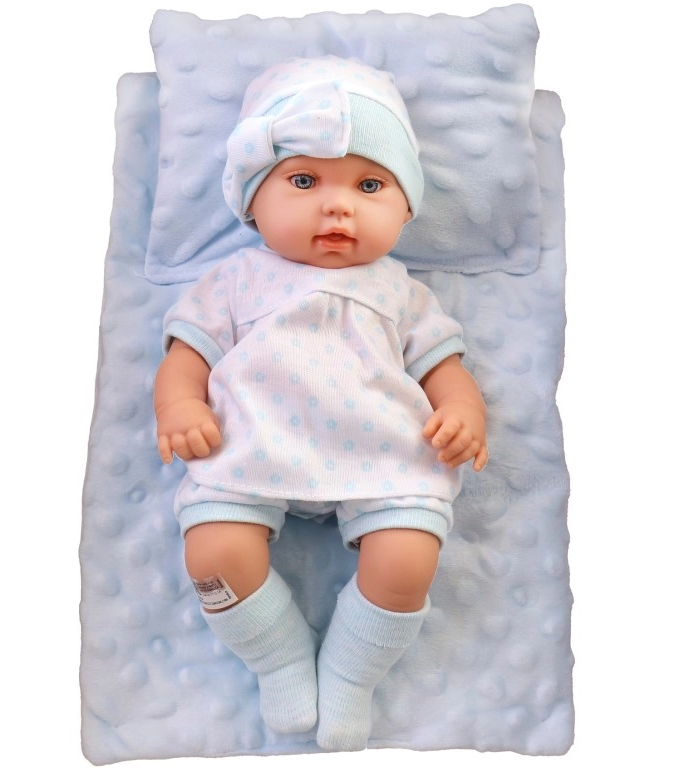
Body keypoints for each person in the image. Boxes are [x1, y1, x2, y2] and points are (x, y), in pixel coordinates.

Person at [153, 55, 488, 751]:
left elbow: (443, 367)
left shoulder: (400, 291)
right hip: (249, 446)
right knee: (213, 554)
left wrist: (463, 413)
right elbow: (185, 357)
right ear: (251, 203)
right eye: (303, 181)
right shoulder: (236, 280)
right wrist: (180, 407)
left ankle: (351, 673)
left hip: (384, 453)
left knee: (407, 561)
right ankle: (277, 657)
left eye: (370, 185)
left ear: (406, 209)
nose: (338, 206)